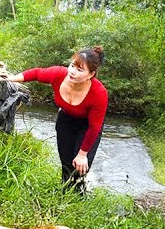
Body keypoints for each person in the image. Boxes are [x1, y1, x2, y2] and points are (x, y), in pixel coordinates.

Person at [8, 47, 109, 192]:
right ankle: (64, 194)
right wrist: (12, 78)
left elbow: (94, 127)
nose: (72, 71)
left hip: (88, 126)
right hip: (66, 120)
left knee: (80, 167)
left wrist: (82, 155)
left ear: (91, 74)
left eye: (80, 70)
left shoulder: (99, 93)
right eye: (72, 65)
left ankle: (78, 196)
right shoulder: (58, 74)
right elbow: (36, 73)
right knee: (66, 162)